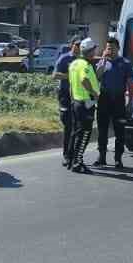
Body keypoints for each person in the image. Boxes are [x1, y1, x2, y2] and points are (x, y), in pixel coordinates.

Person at [94, 38, 133, 169]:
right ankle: (101, 157)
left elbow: (130, 84)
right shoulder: (103, 61)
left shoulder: (126, 63)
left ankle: (118, 159)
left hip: (118, 100)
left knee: (119, 131)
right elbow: (97, 77)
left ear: (118, 48)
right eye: (107, 48)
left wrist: (130, 102)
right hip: (104, 99)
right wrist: (104, 60)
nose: (109, 50)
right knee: (102, 130)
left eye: (111, 48)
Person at [65, 38, 101, 173]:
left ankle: (70, 158)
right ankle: (77, 163)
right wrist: (94, 93)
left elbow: (71, 85)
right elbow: (84, 80)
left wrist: (73, 99)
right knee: (84, 134)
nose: (95, 52)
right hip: (86, 103)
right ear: (90, 51)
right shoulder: (85, 65)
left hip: (76, 102)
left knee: (76, 132)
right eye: (94, 50)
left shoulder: (74, 64)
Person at [53, 38, 79, 166]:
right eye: (76, 45)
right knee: (68, 125)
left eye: (80, 45)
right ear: (71, 45)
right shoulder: (64, 58)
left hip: (79, 96)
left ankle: (74, 154)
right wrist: (70, 76)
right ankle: (66, 154)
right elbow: (55, 75)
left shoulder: (82, 60)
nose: (78, 47)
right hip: (65, 95)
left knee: (77, 126)